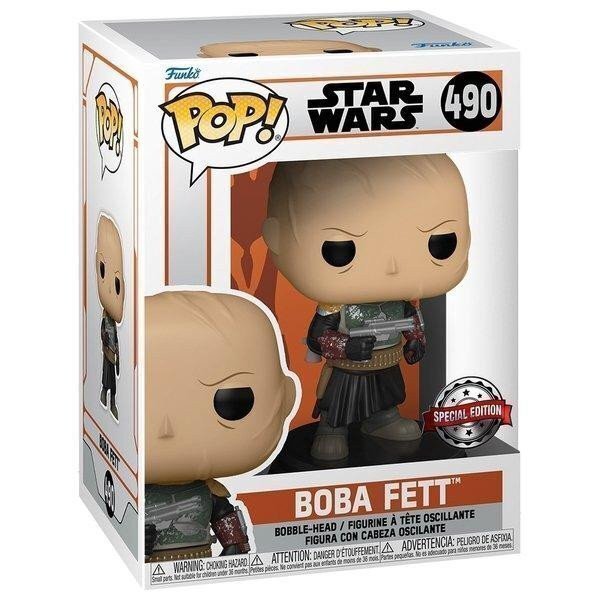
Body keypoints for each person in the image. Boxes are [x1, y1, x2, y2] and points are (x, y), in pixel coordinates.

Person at [263, 155, 470, 461]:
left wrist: (416, 341)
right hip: (349, 367)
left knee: (386, 394)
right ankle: (332, 429)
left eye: (439, 242)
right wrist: (347, 347)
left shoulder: (401, 300)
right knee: (339, 400)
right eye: (340, 249)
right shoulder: (334, 304)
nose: (392, 267)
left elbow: (412, 321)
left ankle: (383, 419)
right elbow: (318, 337)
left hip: (387, 360)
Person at [144, 291, 297, 561]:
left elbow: (228, 525)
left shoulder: (210, 493)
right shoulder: (136, 494)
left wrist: (234, 549)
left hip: (199, 559)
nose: (166, 430)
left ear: (287, 395)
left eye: (233, 401)